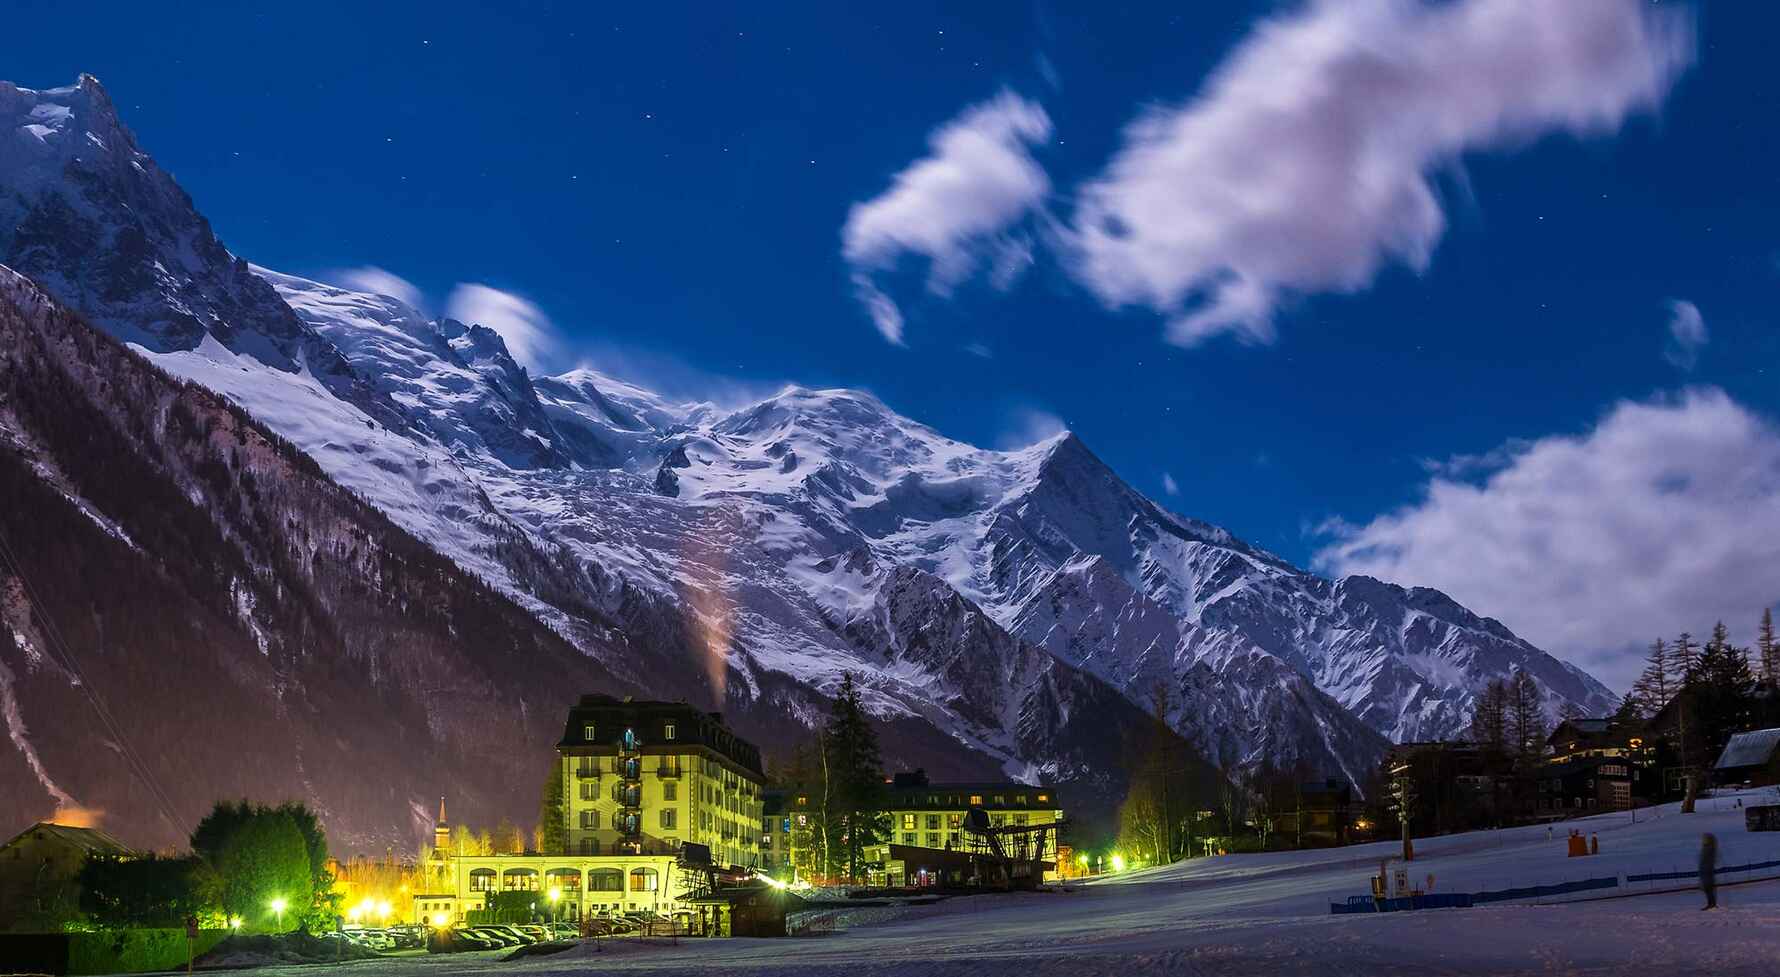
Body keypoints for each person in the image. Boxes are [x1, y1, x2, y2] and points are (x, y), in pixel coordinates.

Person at [1699, 832, 1718, 910]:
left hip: (1708, 870)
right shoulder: (1707, 848)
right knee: (1707, 888)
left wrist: (1706, 869)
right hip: (1705, 870)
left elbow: (1708, 860)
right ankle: (1711, 903)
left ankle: (1712, 904)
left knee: (1708, 887)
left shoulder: (1709, 848)